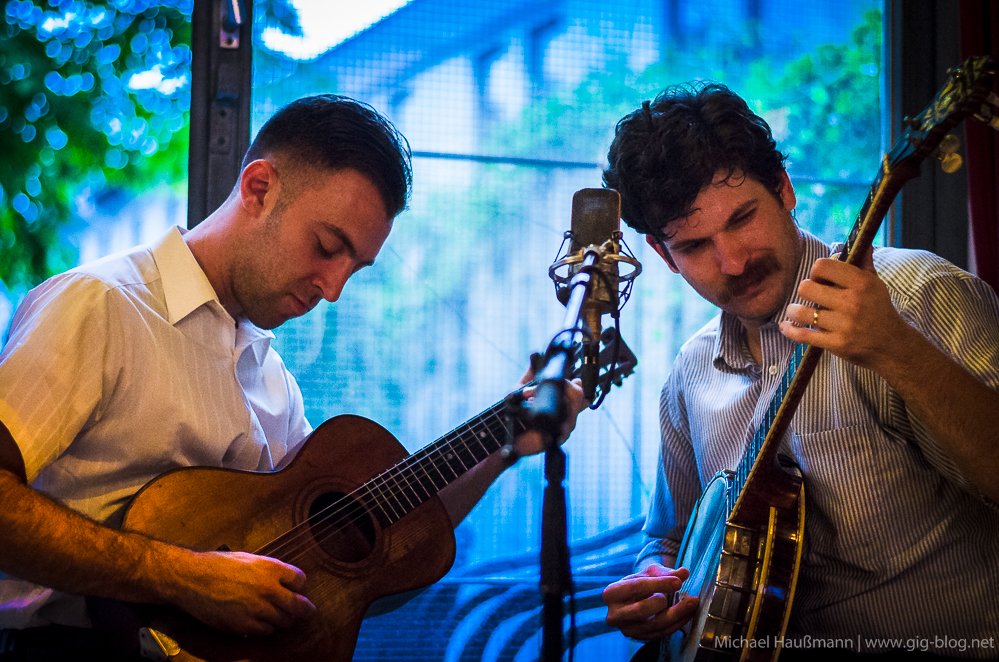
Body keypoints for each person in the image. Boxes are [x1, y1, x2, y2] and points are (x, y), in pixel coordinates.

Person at [0, 94, 583, 658]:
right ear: (259, 189)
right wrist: (182, 576)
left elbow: (370, 545)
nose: (333, 289)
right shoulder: (99, 304)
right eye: (327, 247)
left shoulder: (271, 378)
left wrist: (502, 444)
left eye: (355, 268)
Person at [599, 83, 999, 659]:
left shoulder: (918, 295)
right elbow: (666, 538)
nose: (733, 261)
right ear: (663, 256)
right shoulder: (690, 374)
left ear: (784, 188)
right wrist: (652, 582)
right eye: (695, 246)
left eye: (743, 218)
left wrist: (895, 349)